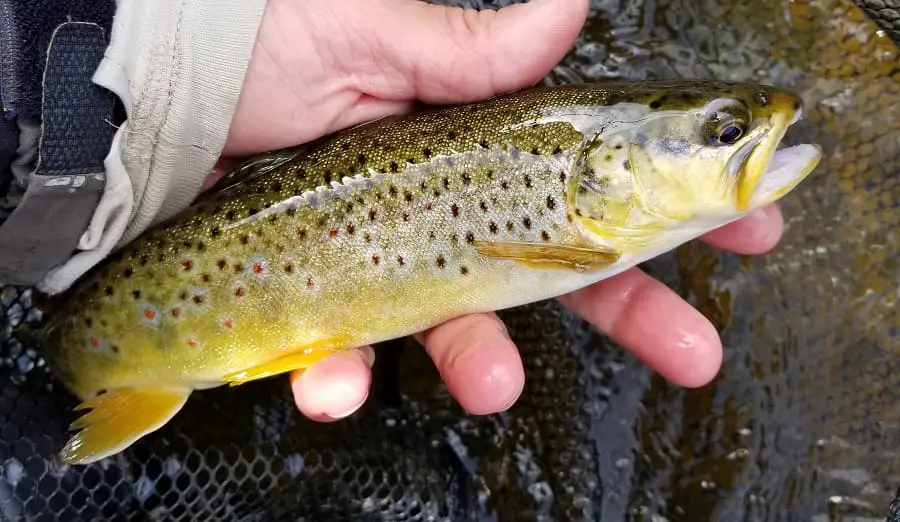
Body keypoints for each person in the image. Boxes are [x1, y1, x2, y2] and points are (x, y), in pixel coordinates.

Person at [0, 0, 785, 422]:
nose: (748, 133)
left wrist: (182, 68)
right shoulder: (584, 233)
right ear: (599, 167)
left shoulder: (588, 224)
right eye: (724, 131)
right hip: (99, 310)